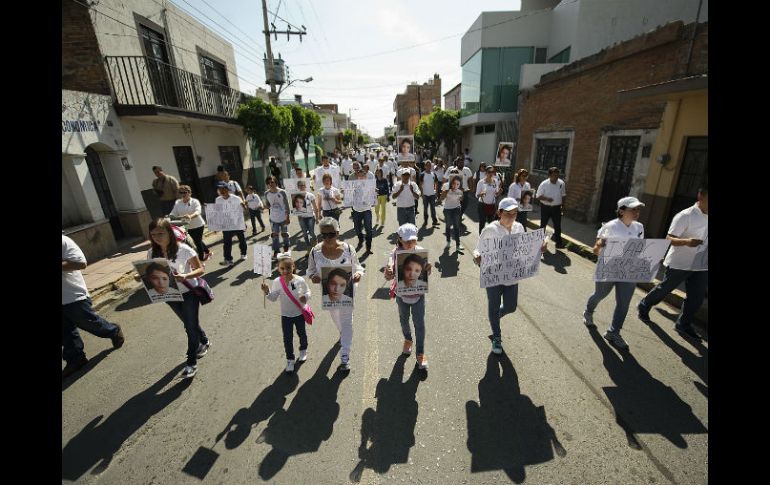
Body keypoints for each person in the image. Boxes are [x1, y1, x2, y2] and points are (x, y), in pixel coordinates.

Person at [138, 218, 210, 378]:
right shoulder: (151, 252)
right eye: (153, 234)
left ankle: (191, 363)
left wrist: (185, 275)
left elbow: (200, 269)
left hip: (189, 292)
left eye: (160, 233)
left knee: (189, 327)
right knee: (188, 321)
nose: (156, 237)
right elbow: (152, 271)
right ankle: (204, 340)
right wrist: (143, 277)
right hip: (169, 294)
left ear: (169, 233)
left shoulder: (184, 249)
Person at [473, 198, 544, 355]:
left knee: (511, 307)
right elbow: (477, 250)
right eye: (508, 214)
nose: (512, 217)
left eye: (515, 213)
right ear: (499, 213)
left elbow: (525, 250)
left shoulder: (519, 227)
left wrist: (539, 249)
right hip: (493, 276)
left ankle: (494, 318)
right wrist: (477, 257)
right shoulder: (490, 230)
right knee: (493, 305)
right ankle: (497, 337)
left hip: (511, 275)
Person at [637, 186, 708, 340]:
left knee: (697, 297)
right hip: (680, 262)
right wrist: (687, 241)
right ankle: (644, 304)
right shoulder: (685, 215)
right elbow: (670, 238)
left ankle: (683, 324)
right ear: (701, 196)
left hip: (702, 264)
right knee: (665, 288)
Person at [582, 197, 646, 351]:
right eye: (633, 209)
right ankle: (588, 311)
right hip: (609, 268)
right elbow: (597, 248)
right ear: (622, 211)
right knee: (599, 295)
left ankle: (613, 332)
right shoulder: (610, 226)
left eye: (638, 209)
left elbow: (640, 248)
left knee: (623, 303)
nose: (637, 212)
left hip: (628, 270)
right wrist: (598, 247)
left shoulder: (639, 227)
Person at [62, 234, 125, 378]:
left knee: (89, 323)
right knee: (65, 332)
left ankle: (113, 330)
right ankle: (75, 359)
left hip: (72, 295)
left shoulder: (63, 241)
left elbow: (80, 263)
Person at [307, 217, 364, 370]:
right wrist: (313, 277)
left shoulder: (348, 249)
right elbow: (310, 271)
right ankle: (342, 333)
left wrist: (358, 274)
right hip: (329, 297)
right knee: (336, 318)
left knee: (346, 321)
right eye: (323, 235)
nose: (327, 238)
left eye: (330, 234)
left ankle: (345, 356)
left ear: (338, 232)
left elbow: (358, 267)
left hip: (347, 294)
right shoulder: (315, 252)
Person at [384, 224, 431, 370]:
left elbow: (425, 274)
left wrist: (428, 269)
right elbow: (389, 268)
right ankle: (408, 339)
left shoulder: (421, 252)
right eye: (406, 241)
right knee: (404, 320)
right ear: (399, 239)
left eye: (413, 240)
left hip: (418, 296)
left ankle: (421, 353)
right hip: (401, 295)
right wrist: (389, 271)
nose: (410, 243)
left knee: (420, 325)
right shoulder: (395, 253)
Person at [261, 254, 311, 373]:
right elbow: (273, 298)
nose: (285, 271)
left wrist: (305, 297)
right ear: (278, 269)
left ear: (293, 267)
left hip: (299, 314)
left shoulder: (300, 279)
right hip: (286, 316)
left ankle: (303, 349)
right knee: (287, 338)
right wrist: (267, 291)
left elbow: (308, 291)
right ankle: (290, 359)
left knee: (302, 333)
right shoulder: (277, 282)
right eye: (282, 268)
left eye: (288, 268)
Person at [170, 185, 212, 261]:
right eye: (181, 192)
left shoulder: (194, 201)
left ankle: (201, 258)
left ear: (190, 193)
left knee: (197, 242)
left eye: (185, 192)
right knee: (198, 240)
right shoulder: (178, 203)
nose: (183, 194)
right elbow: (173, 213)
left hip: (198, 225)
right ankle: (207, 251)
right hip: (188, 226)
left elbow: (198, 211)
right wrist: (170, 216)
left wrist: (190, 216)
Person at [215, 182, 248, 266]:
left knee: (241, 239)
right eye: (219, 189)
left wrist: (244, 207)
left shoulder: (236, 198)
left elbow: (243, 210)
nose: (221, 191)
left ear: (227, 189)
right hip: (226, 224)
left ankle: (243, 254)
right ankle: (228, 259)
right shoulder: (218, 200)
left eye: (223, 189)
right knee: (227, 242)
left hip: (237, 223)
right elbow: (218, 212)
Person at [536, 167, 567, 247]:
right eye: (554, 175)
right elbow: (538, 196)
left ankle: (559, 243)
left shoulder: (561, 183)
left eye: (557, 175)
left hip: (557, 208)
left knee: (557, 225)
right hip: (546, 207)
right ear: (549, 175)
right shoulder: (544, 184)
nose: (556, 178)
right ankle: (539, 242)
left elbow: (563, 195)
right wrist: (546, 199)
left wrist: (563, 205)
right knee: (543, 224)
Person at [264, 176, 291, 258]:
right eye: (269, 183)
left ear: (276, 182)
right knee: (275, 236)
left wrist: (288, 217)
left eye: (272, 182)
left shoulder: (282, 192)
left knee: (284, 234)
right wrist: (266, 206)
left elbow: (287, 205)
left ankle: (286, 249)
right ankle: (276, 252)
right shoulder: (266, 193)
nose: (271, 184)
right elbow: (268, 204)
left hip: (283, 218)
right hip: (273, 219)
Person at [292, 179, 319, 253]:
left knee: (311, 233)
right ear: (298, 186)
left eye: (303, 185)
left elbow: (315, 207)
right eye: (300, 185)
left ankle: (315, 242)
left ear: (305, 186)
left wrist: (317, 218)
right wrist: (298, 215)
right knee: (304, 234)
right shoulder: (295, 196)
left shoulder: (310, 195)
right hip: (301, 218)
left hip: (310, 217)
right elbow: (296, 208)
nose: (301, 187)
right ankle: (309, 248)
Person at [350, 170, 374, 253]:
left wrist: (375, 193)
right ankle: (360, 239)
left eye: (363, 176)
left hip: (367, 210)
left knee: (369, 230)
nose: (361, 178)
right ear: (357, 177)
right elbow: (348, 195)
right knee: (357, 229)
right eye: (359, 176)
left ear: (366, 177)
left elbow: (373, 197)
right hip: (356, 210)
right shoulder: (353, 185)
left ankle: (368, 248)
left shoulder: (370, 185)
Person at [440, 174, 464, 252]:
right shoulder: (447, 190)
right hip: (447, 210)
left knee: (456, 227)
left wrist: (461, 198)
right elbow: (441, 199)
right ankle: (448, 242)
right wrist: (445, 193)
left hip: (457, 209)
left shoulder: (460, 191)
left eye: (458, 184)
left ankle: (458, 245)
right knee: (448, 226)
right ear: (451, 183)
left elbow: (461, 199)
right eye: (454, 183)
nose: (456, 185)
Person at [475, 166, 502, 233]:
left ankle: (490, 240)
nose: (491, 173)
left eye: (492, 172)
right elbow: (476, 195)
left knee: (491, 224)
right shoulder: (481, 182)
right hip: (482, 205)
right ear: (486, 173)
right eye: (489, 172)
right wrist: (480, 194)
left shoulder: (495, 181)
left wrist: (499, 192)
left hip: (492, 205)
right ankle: (481, 239)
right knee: (482, 223)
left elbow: (496, 194)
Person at [419, 161, 439, 227]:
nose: (429, 167)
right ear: (425, 166)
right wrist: (422, 194)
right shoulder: (422, 174)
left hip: (432, 194)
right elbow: (420, 185)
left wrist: (436, 192)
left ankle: (435, 221)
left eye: (430, 165)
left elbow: (436, 183)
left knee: (433, 209)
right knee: (425, 209)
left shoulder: (433, 174)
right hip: (425, 195)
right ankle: (425, 221)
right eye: (427, 165)